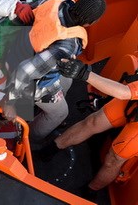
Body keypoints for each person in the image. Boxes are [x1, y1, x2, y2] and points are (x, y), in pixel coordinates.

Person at [0, 0, 106, 142]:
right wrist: (9, 102)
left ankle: (40, 108)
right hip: (24, 75)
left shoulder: (52, 1)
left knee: (67, 81)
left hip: (17, 50)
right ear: (90, 23)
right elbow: (25, 71)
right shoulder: (68, 44)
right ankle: (28, 140)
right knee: (60, 113)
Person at [43, 58, 138, 194]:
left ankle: (91, 191)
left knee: (113, 159)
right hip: (133, 101)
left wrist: (84, 73)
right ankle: (50, 149)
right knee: (93, 121)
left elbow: (124, 92)